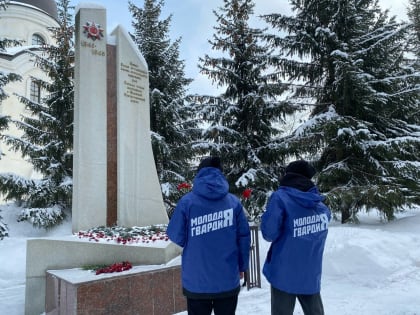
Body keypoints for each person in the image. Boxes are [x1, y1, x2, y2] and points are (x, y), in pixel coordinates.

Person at [167, 156, 251, 315]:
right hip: (227, 278)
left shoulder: (187, 202)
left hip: (196, 280)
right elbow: (244, 238)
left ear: (199, 174)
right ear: (221, 174)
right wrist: (242, 266)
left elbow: (176, 236)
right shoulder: (233, 203)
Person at [261, 160, 331, 315]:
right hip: (310, 272)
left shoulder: (280, 198)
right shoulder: (320, 206)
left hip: (283, 272)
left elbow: (269, 233)